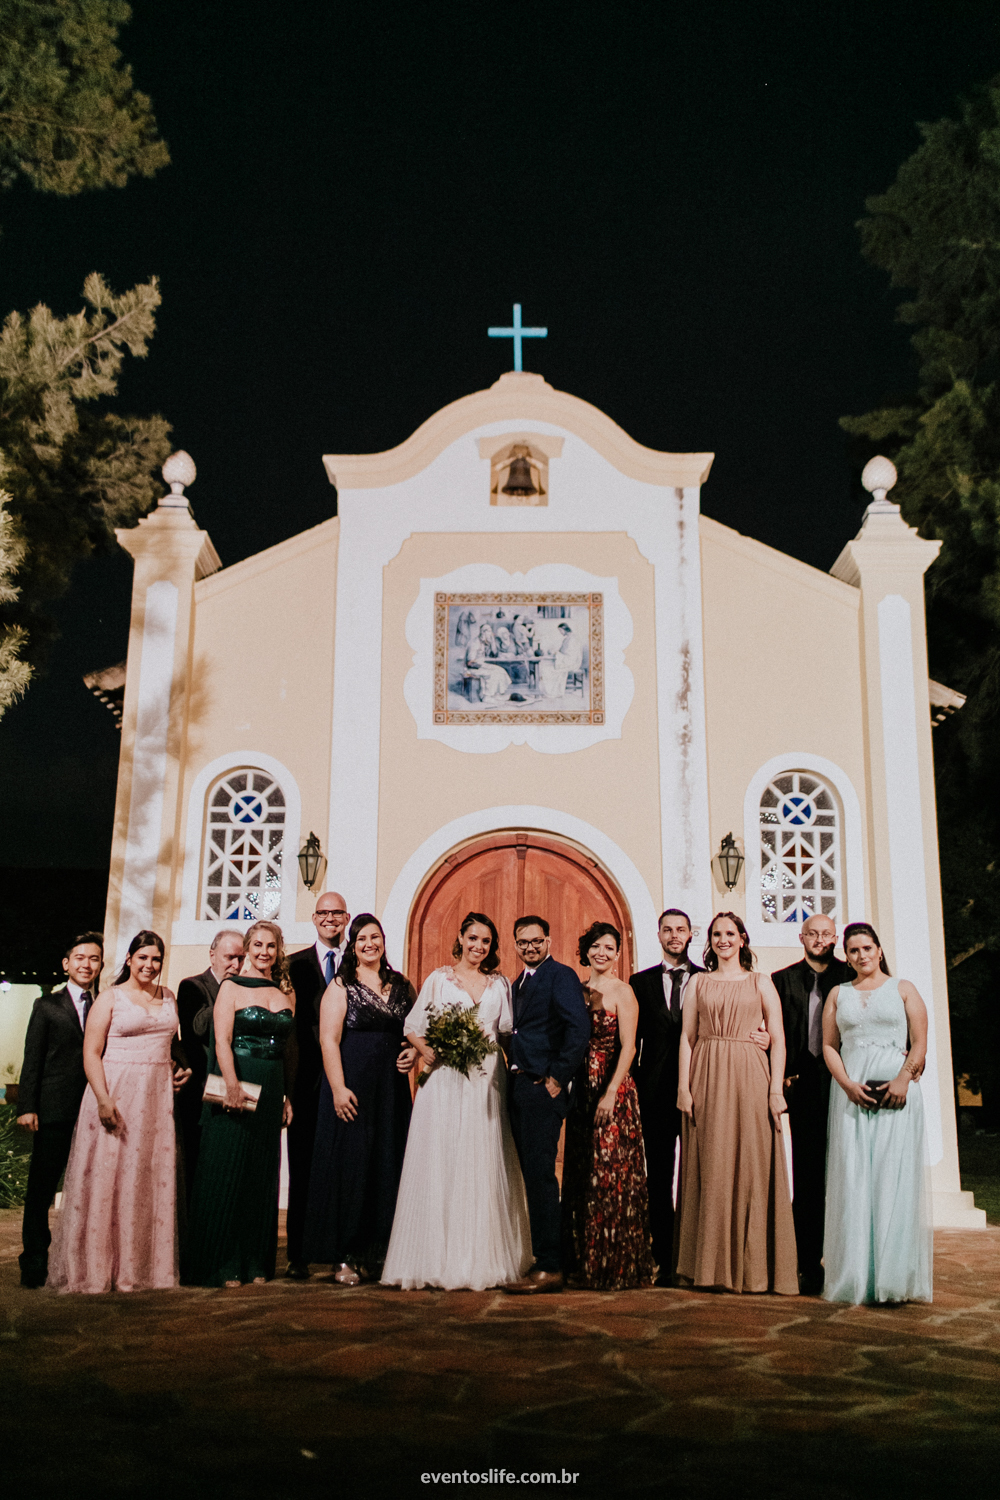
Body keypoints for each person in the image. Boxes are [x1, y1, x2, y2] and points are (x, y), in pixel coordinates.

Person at [382, 912, 531, 1290]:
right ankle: (435, 1256)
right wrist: (426, 1051)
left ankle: (480, 1255)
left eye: (485, 941)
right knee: (443, 1158)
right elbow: (413, 1027)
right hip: (446, 1077)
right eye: (473, 938)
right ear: (460, 939)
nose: (478, 946)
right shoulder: (438, 979)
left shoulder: (500, 985)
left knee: (482, 1156)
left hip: (486, 1078)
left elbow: (506, 1031)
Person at [48, 931, 191, 1294]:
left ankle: (142, 1268)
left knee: (147, 1180)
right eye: (142, 957)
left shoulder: (169, 997)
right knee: (110, 1179)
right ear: (129, 959)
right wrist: (102, 1098)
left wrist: (179, 1066)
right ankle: (99, 1268)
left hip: (157, 1101)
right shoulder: (110, 998)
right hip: (117, 1093)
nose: (149, 965)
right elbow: (91, 1053)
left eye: (156, 959)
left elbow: (172, 1046)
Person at [675, 912, 798, 1295]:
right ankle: (708, 1267)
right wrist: (684, 1086)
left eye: (730, 933)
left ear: (743, 939)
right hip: (707, 1074)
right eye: (716, 934)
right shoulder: (698, 981)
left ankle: (753, 1267)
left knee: (752, 1164)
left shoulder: (761, 982)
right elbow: (687, 1037)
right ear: (708, 941)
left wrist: (775, 1089)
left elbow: (777, 1039)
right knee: (711, 1163)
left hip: (750, 1075)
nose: (723, 939)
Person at [822, 922, 932, 1305]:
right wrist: (848, 1085)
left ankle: (892, 1278)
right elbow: (829, 1046)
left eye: (867, 948)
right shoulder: (839, 993)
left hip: (896, 1099)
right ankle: (856, 1276)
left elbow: (919, 1042)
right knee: (854, 1180)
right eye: (853, 951)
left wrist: (903, 1079)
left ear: (879, 950)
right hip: (851, 1097)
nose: (861, 956)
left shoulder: (904, 989)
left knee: (892, 1181)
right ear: (847, 956)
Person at [303, 915, 414, 1283]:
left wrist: (413, 1054)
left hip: (391, 1092)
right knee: (351, 1168)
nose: (370, 943)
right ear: (353, 945)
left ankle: (378, 1253)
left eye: (376, 937)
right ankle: (344, 1255)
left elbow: (413, 1034)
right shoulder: (341, 985)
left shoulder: (400, 985)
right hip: (353, 1089)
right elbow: (328, 1040)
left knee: (387, 1164)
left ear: (384, 941)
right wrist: (337, 1088)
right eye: (362, 938)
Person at [184, 921, 295, 1288]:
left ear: (278, 951)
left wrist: (284, 1096)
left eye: (271, 946)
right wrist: (231, 1085)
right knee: (228, 1168)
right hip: (238, 1081)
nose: (264, 952)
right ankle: (223, 1260)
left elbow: (287, 1051)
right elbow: (221, 1042)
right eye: (258, 945)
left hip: (272, 1083)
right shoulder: (230, 988)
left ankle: (254, 1258)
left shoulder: (285, 993)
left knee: (259, 1174)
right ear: (247, 948)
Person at [562, 922, 654, 1290]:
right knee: (582, 1171)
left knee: (611, 1174)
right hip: (578, 1086)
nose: (602, 952)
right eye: (596, 946)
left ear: (618, 953)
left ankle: (614, 1265)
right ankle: (582, 1262)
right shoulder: (575, 989)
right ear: (586, 951)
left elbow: (629, 1047)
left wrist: (612, 1091)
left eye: (609, 947)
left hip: (611, 1086)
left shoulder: (623, 991)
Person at [504, 915, 591, 1295]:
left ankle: (550, 1264)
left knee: (541, 1177)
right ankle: (535, 1254)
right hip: (517, 1088)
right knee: (527, 1176)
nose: (530, 948)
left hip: (544, 1090)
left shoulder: (562, 976)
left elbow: (579, 1029)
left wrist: (558, 1077)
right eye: (523, 943)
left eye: (537, 941)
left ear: (549, 940)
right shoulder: (515, 983)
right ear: (516, 945)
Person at [16, 932, 104, 1288]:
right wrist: (27, 1106)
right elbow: (32, 1058)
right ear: (67, 964)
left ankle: (81, 1256)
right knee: (42, 1187)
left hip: (94, 1110)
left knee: (88, 1186)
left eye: (94, 958)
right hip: (54, 1110)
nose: (87, 964)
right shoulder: (47, 1006)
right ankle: (34, 1258)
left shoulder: (104, 1005)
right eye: (80, 958)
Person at [772, 915, 852, 1295]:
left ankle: (843, 1256)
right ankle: (807, 1263)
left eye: (826, 934)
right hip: (801, 1083)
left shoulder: (851, 976)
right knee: (806, 1175)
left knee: (842, 1172)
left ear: (835, 937)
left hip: (844, 1082)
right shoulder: (782, 980)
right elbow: (773, 1030)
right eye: (812, 933)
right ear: (800, 936)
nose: (819, 939)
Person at [630, 909, 704, 1284]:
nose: (674, 935)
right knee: (658, 1176)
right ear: (658, 934)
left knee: (698, 1175)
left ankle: (696, 1256)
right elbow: (630, 1042)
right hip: (654, 1091)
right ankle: (665, 1257)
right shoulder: (639, 983)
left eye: (681, 929)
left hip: (701, 1090)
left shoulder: (707, 980)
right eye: (667, 929)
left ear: (691, 934)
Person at [285, 891, 352, 1280]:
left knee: (343, 1165)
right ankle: (298, 1254)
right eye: (323, 913)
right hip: (306, 1081)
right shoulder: (294, 965)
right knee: (304, 1166)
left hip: (347, 1077)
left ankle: (341, 1249)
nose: (330, 918)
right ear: (314, 918)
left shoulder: (358, 962)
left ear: (346, 918)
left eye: (337, 913)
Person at [174, 929, 245, 1203]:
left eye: (241, 958)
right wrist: (230, 993)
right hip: (200, 1094)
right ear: (212, 955)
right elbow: (197, 1030)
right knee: (196, 1169)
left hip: (235, 1087)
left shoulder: (244, 986)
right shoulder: (192, 986)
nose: (236, 965)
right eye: (230, 957)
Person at [537, 622, 584, 699]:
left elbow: (571, 654)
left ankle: (554, 692)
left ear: (564, 629)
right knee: (547, 667)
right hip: (566, 659)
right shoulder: (567, 638)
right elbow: (563, 651)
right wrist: (555, 652)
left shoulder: (573, 639)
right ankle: (549, 691)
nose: (560, 632)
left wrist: (556, 653)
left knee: (550, 670)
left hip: (572, 661)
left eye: (560, 631)